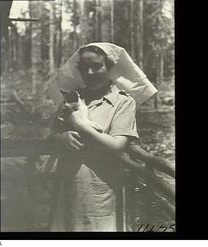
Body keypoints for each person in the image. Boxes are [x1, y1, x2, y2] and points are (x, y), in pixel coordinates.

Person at [48, 42, 157, 232]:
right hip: (67, 183)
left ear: (110, 67)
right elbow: (52, 132)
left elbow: (117, 146)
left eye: (97, 66)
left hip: (100, 187)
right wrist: (62, 137)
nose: (90, 73)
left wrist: (80, 125)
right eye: (84, 68)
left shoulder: (123, 101)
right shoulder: (73, 97)